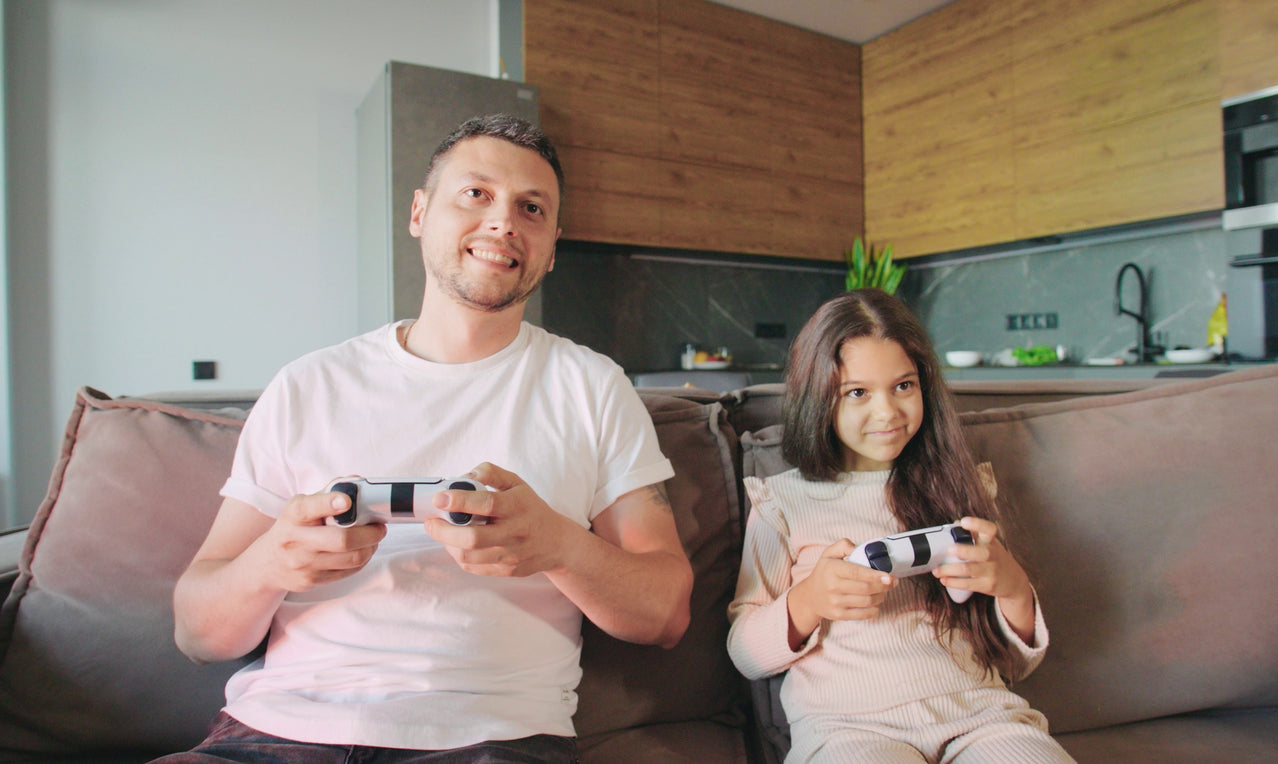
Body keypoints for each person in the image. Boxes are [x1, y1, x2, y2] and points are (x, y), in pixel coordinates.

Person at [165, 114, 693, 762]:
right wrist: (272, 562)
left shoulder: (592, 386)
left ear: (552, 246)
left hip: (491, 741)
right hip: (278, 734)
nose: (503, 222)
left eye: (531, 208)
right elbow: (196, 632)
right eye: (476, 194)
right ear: (419, 212)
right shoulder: (309, 384)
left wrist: (558, 545)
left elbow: (667, 614)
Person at [727, 289, 1072, 763]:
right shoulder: (783, 501)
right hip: (847, 731)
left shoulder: (963, 486)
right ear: (818, 397)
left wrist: (1012, 586)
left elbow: (1016, 663)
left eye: (903, 386)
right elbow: (745, 653)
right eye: (857, 393)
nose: (887, 412)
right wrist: (808, 601)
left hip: (981, 716)